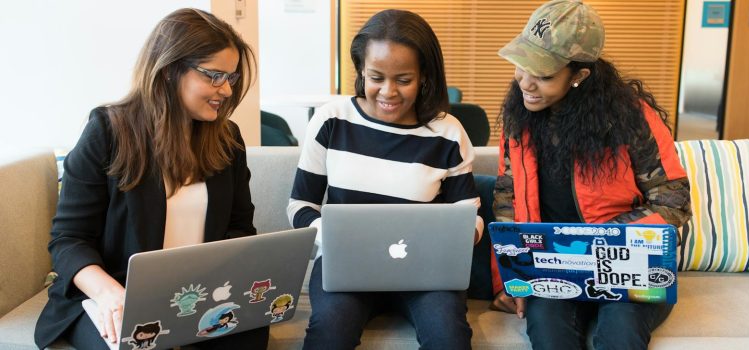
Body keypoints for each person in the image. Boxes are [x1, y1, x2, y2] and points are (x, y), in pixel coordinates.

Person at [33, 8, 267, 349]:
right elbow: (69, 240)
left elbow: (240, 230)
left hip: (197, 297)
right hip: (114, 294)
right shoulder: (107, 131)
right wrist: (112, 295)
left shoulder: (227, 140)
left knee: (249, 336)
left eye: (230, 78)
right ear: (171, 70)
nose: (227, 90)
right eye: (214, 75)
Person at [490, 1, 692, 349]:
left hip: (631, 267)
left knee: (620, 333)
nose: (525, 82)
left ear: (579, 76)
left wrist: (598, 240)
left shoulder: (632, 118)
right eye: (521, 66)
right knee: (548, 332)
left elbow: (673, 200)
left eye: (544, 74)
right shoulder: (518, 120)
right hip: (552, 270)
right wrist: (512, 281)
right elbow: (507, 201)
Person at [287, 9, 483, 350]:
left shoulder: (448, 133)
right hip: (345, 268)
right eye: (376, 76)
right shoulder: (333, 120)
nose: (388, 92)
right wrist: (332, 238)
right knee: (329, 333)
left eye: (403, 79)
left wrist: (464, 236)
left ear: (424, 76)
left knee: (448, 337)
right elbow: (300, 205)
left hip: (427, 274)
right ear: (361, 69)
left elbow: (470, 214)